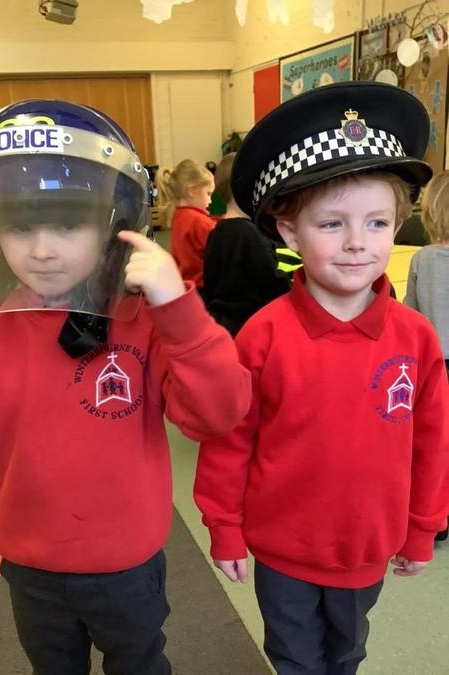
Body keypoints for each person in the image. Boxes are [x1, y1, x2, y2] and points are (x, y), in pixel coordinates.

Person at [0, 99, 251, 675]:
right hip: (31, 565)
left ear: (113, 224)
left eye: (68, 224)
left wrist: (180, 313)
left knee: (138, 663)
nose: (41, 250)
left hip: (125, 563)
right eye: (18, 227)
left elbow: (218, 413)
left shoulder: (147, 321)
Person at [194, 82, 449, 675]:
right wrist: (224, 526)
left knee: (347, 652)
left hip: (368, 548)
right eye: (331, 223)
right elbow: (231, 439)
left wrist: (423, 528)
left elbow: (432, 442)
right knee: (293, 658)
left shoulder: (415, 338)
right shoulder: (262, 335)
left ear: (398, 225)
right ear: (289, 232)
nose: (358, 243)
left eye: (378, 222)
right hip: (282, 548)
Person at [404, 169, 449, 541]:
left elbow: (410, 314)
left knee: (434, 443)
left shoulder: (423, 259)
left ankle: (435, 518)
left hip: (434, 365)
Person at [203, 152, 292, 336]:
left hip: (223, 324)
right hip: (251, 324)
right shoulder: (248, 233)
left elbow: (210, 283)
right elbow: (273, 282)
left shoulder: (216, 232)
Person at [159, 159, 216, 293]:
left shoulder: (178, 216)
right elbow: (220, 248)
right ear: (192, 191)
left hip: (185, 286)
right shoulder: (199, 221)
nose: (210, 200)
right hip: (204, 287)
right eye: (208, 194)